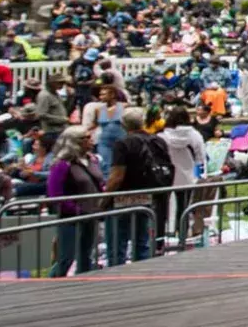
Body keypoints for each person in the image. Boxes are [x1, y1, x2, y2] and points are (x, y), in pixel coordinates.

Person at [105, 107, 169, 266]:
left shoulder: (123, 144)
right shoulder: (158, 141)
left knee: (118, 242)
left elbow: (117, 176)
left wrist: (104, 199)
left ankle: (115, 274)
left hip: (123, 197)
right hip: (149, 195)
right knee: (143, 241)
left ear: (123, 125)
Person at [46, 126, 102, 277]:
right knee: (66, 258)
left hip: (90, 214)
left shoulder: (92, 160)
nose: (92, 140)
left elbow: (99, 183)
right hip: (70, 217)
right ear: (77, 141)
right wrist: (74, 209)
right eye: (87, 137)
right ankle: (50, 285)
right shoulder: (62, 165)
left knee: (86, 256)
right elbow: (54, 193)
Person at [159, 104, 208, 240]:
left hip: (166, 176)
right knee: (184, 208)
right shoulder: (195, 135)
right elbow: (200, 157)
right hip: (187, 176)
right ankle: (182, 235)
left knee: (162, 208)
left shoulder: (163, 136)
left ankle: (161, 237)